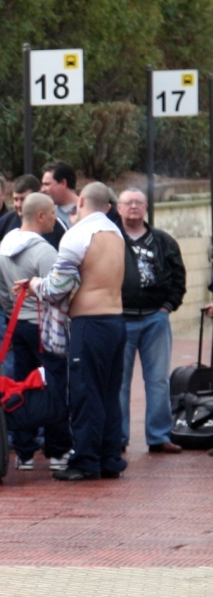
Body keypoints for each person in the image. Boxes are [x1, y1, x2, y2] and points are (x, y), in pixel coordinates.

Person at [24, 182, 127, 481]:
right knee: (109, 394)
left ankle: (85, 461)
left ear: (80, 201)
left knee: (85, 393)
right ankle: (109, 458)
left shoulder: (77, 234)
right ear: (108, 206)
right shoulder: (116, 233)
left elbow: (58, 286)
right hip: (116, 321)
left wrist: (34, 285)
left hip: (90, 324)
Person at [0, 192, 73, 470]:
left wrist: (13, 315)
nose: (55, 218)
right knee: (55, 385)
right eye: (52, 213)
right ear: (40, 216)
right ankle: (58, 451)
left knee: (21, 386)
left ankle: (24, 452)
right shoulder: (45, 252)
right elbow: (57, 293)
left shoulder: (5, 245)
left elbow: (3, 290)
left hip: (17, 325)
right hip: (44, 328)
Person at [116, 187, 186, 454]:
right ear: (118, 208)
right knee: (119, 381)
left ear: (146, 208)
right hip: (120, 318)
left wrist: (168, 307)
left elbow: (178, 276)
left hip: (155, 319)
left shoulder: (163, 241)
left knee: (158, 380)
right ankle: (118, 437)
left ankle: (159, 436)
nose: (133, 207)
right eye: (128, 202)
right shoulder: (111, 239)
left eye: (138, 202)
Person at [41, 161, 79, 229]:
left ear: (63, 183)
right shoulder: (46, 214)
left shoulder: (90, 210)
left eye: (47, 184)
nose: (42, 189)